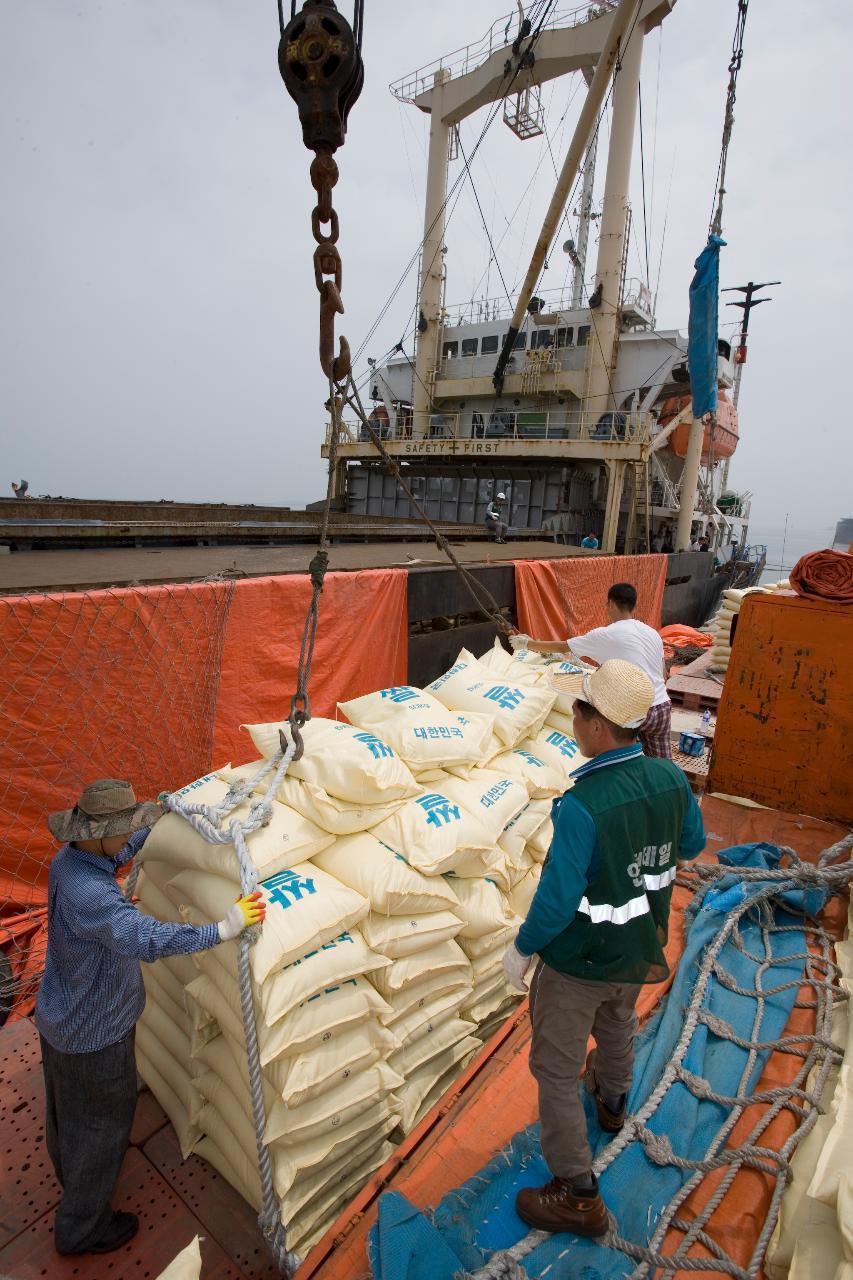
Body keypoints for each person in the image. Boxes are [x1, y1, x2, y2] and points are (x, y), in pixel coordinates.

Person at [502, 660, 706, 1236]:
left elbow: (556, 899)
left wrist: (522, 949)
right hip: (638, 948)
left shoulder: (583, 804)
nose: (572, 718)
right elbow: (691, 842)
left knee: (556, 1068)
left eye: (578, 709)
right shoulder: (669, 778)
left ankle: (576, 1192)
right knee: (618, 1025)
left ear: (597, 725)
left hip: (577, 964)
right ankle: (615, 1103)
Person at [35, 779, 266, 1257]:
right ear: (97, 833)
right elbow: (149, 940)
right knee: (103, 1127)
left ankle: (73, 1180)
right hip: (94, 1035)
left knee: (69, 1116)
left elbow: (123, 852)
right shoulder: (93, 897)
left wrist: (158, 820)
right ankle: (82, 1228)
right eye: (124, 830)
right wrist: (224, 927)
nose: (128, 839)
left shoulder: (72, 860)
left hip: (62, 1017)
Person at [512, 582, 674, 758]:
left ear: (611, 604)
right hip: (662, 706)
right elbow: (663, 674)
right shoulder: (652, 633)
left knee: (625, 763)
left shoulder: (605, 634)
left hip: (631, 709)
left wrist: (527, 643)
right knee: (662, 763)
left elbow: (563, 647)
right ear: (634, 605)